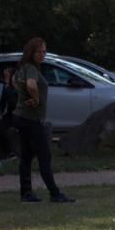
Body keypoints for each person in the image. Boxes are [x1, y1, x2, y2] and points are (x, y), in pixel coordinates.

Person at [12, 38, 73, 203]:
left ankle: (26, 193)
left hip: (21, 117)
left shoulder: (23, 67)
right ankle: (55, 193)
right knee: (44, 156)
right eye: (39, 51)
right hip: (31, 119)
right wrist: (36, 98)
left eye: (44, 52)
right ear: (31, 52)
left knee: (26, 156)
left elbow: (14, 82)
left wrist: (25, 96)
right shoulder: (31, 68)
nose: (42, 55)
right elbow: (31, 85)